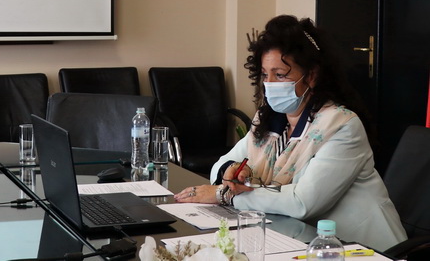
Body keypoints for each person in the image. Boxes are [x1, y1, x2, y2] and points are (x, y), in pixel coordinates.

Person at [174, 15, 407, 252]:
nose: (270, 84)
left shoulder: (341, 126)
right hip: (301, 241)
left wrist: (225, 194)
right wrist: (232, 169)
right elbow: (220, 166)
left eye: (280, 75)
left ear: (312, 76)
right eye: (265, 74)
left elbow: (302, 202)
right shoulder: (269, 120)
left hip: (364, 248)